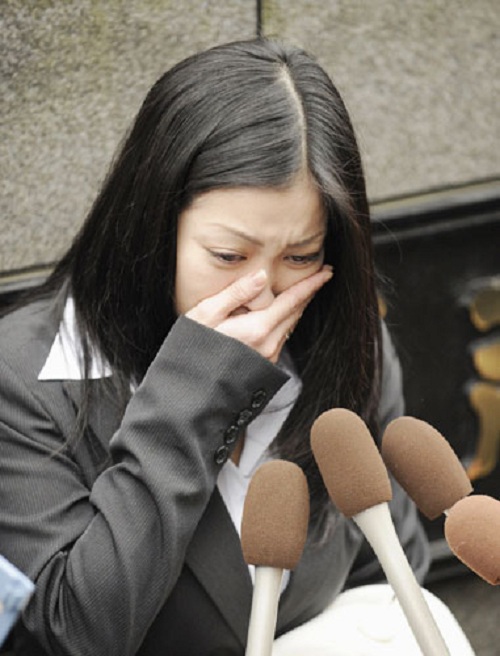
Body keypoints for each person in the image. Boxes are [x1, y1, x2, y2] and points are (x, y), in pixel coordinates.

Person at [0, 38, 429, 656]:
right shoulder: (22, 378)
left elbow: (390, 582)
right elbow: (77, 633)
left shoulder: (345, 344)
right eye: (228, 256)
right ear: (153, 226)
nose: (262, 294)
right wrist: (194, 391)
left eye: (300, 256)